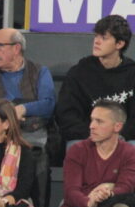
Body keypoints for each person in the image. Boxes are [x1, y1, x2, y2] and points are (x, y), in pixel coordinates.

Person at [57, 15, 135, 143]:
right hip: (86, 137)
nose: (96, 41)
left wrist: (118, 136)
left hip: (124, 139)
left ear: (120, 44)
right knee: (75, 148)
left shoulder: (132, 74)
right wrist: (94, 134)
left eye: (104, 38)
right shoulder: (79, 72)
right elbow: (66, 114)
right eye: (96, 36)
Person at [0, 28, 55, 149]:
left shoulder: (39, 72)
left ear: (16, 48)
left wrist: (22, 109)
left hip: (32, 132)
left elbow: (48, 104)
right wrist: (8, 116)